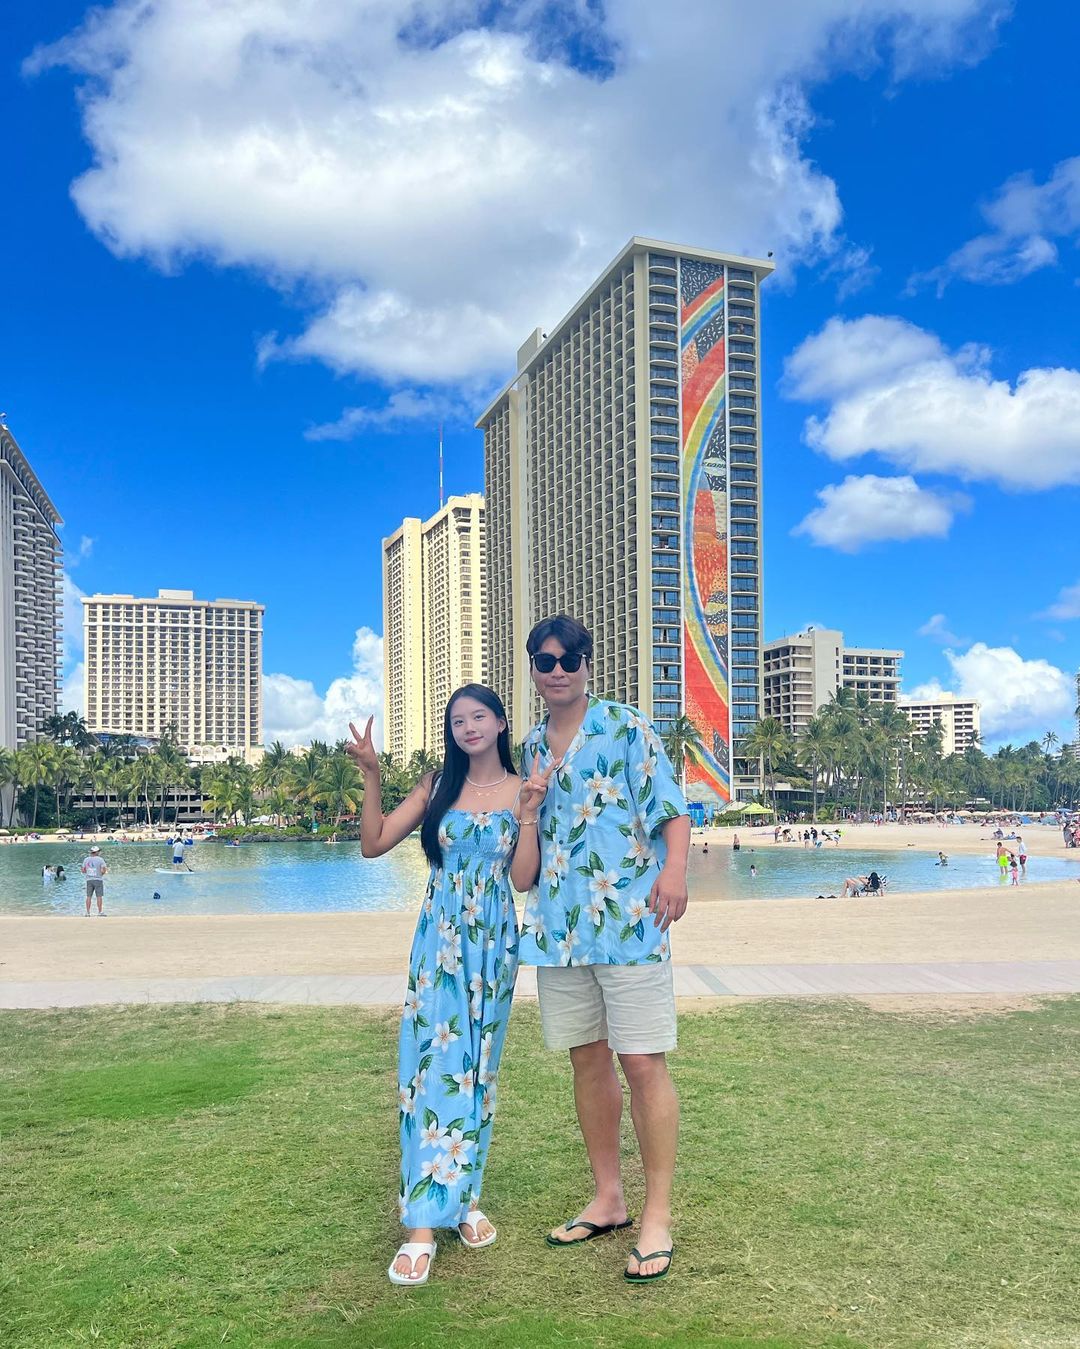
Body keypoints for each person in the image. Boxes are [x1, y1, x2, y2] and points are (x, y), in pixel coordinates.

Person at [514, 615, 690, 1285]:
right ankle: (609, 1197)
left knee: (642, 1061)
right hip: (560, 929)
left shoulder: (625, 725)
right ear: (533, 669)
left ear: (588, 664)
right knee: (587, 1060)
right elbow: (526, 850)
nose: (557, 670)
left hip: (631, 920)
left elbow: (671, 808)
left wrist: (675, 872)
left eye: (569, 658)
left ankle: (657, 1215)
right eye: (544, 660)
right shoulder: (530, 748)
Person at [347, 685, 524, 1288]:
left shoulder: (523, 789)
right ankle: (421, 1222)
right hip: (441, 941)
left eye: (479, 716)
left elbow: (524, 879)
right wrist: (372, 774)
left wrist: (530, 811)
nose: (468, 727)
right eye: (457, 720)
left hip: (495, 943)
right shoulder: (436, 786)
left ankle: (465, 1197)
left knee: (479, 1070)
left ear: (500, 723)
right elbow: (373, 844)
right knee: (433, 1066)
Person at [81, 845, 107, 915]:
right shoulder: (100, 859)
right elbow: (104, 869)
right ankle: (100, 912)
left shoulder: (86, 859)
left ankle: (87, 912)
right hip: (98, 879)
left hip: (89, 880)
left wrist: (88, 872)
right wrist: (101, 874)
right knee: (99, 896)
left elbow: (83, 870)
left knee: (88, 896)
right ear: (97, 852)